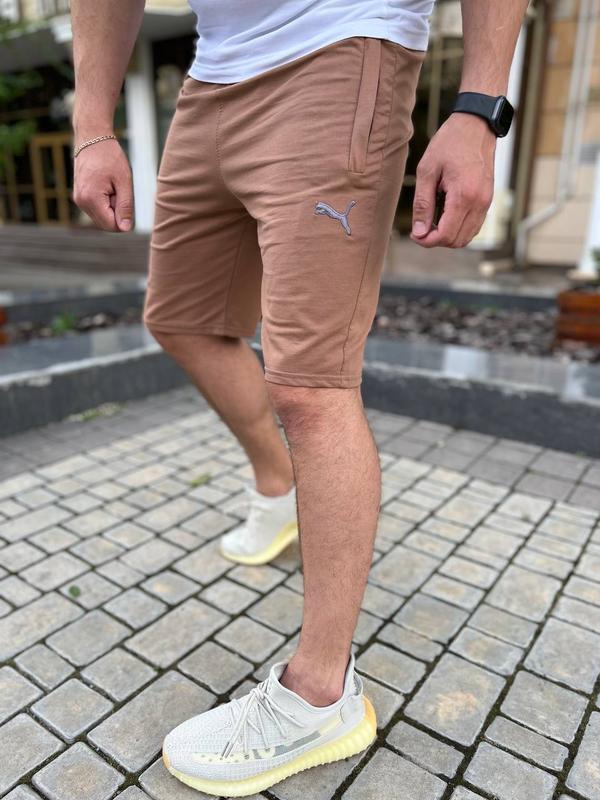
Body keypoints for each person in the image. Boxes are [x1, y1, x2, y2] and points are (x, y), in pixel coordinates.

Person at [72, 1, 527, 795]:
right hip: (212, 77)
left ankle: (322, 696)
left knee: (312, 385)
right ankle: (278, 484)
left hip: (343, 48)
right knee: (181, 320)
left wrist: (480, 106)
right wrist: (91, 124)